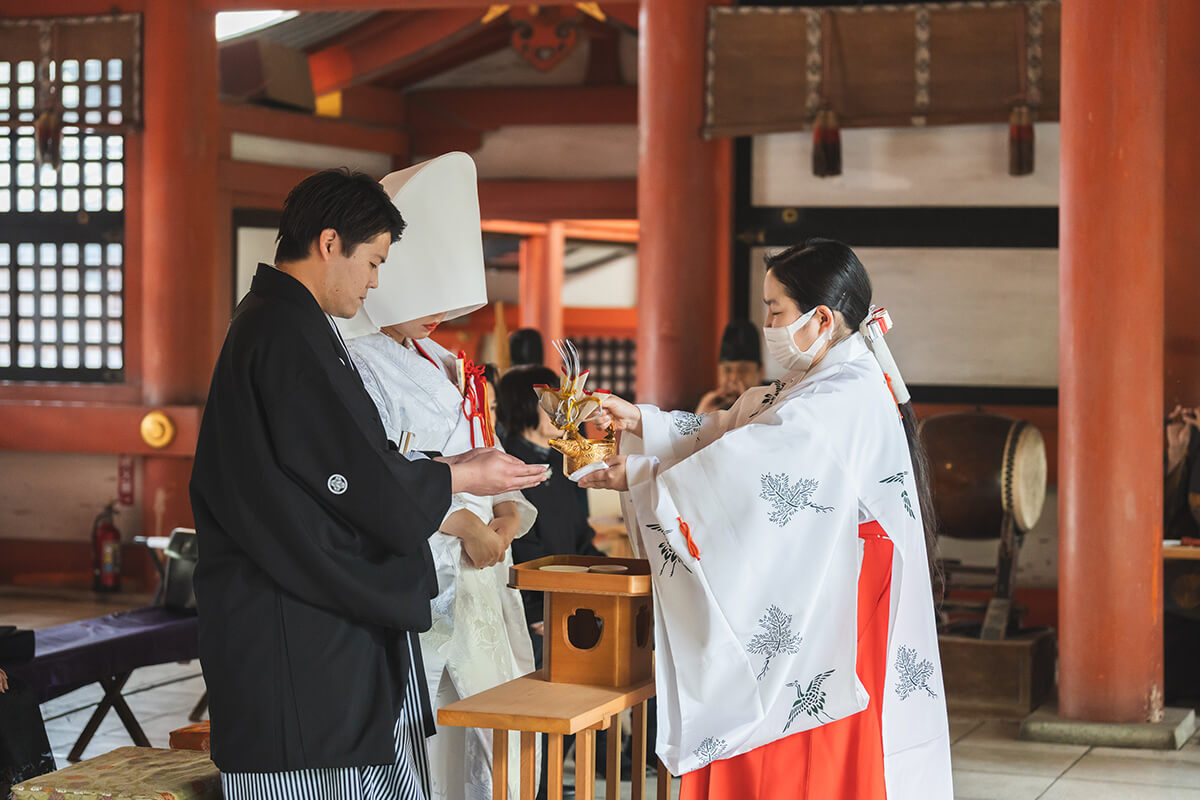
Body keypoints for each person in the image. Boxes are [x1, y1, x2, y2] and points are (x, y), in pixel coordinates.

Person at [190, 168, 547, 800]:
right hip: (295, 621)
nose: (376, 281)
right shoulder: (283, 332)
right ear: (330, 243)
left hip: (328, 610)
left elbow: (357, 467)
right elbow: (352, 477)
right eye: (374, 261)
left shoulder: (291, 324)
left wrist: (458, 477)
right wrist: (460, 478)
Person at [581, 239, 951, 799]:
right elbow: (730, 428)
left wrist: (641, 474)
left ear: (821, 318)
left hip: (834, 593)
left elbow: (748, 470)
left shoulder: (843, 394)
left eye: (776, 310)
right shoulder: (823, 379)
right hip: (824, 575)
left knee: (800, 747)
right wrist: (641, 420)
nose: (769, 325)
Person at [341, 152, 538, 800]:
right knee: (429, 739)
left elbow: (482, 448)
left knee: (493, 736)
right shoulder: (355, 362)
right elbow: (370, 471)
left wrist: (505, 513)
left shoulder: (442, 359)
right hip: (425, 561)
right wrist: (461, 525)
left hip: (482, 571)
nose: (439, 315)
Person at [496, 364, 604, 663]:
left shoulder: (560, 460)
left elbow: (580, 536)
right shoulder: (507, 465)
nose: (564, 412)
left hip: (571, 598)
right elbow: (518, 550)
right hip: (533, 611)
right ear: (525, 405)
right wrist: (539, 610)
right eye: (554, 403)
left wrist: (613, 577)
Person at [695, 319, 765, 414]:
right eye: (727, 370)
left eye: (743, 370)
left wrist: (746, 409)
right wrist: (700, 418)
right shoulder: (710, 406)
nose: (733, 378)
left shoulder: (775, 405)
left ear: (761, 372)